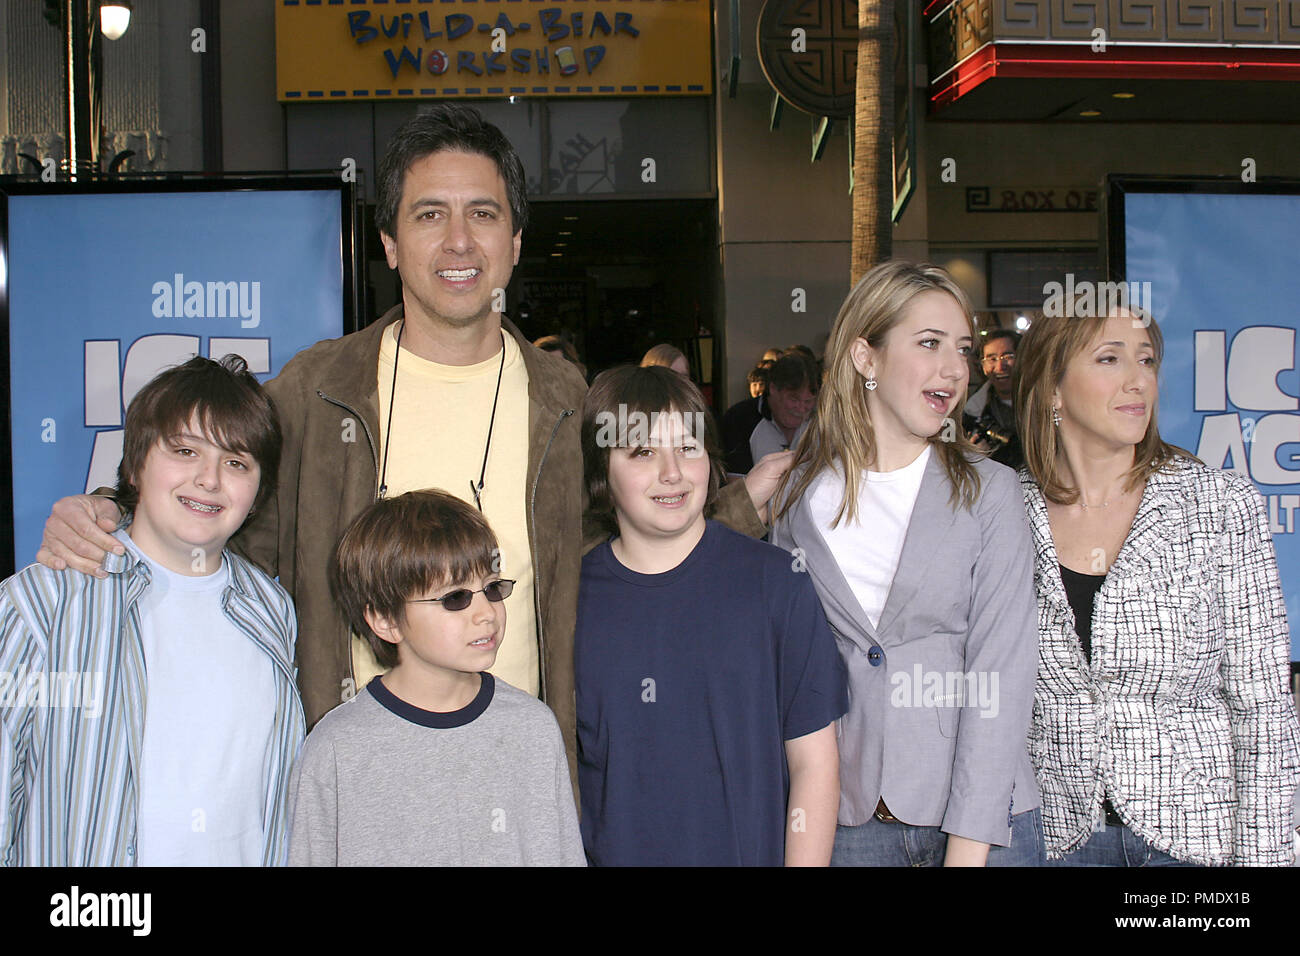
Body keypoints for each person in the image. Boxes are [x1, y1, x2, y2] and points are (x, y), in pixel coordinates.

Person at [35, 105, 776, 778]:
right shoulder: (317, 390)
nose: (459, 241)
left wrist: (745, 506)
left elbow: (636, 552)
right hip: (356, 776)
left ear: (515, 243)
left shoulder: (567, 401)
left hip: (521, 772)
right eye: (429, 216)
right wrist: (108, 515)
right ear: (389, 243)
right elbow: (218, 506)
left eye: (482, 214)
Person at [770, 260, 1043, 867]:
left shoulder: (991, 491)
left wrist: (968, 850)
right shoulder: (796, 500)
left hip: (980, 824)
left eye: (964, 349)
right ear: (865, 357)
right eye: (928, 344)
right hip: (848, 821)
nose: (954, 369)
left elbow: (1001, 673)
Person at [1015, 304, 1300, 866]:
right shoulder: (1003, 511)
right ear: (1052, 388)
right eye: (1109, 358)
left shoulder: (1219, 505)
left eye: (1146, 360)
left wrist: (1266, 862)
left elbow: (1263, 705)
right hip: (1051, 840)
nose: (1137, 379)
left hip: (1193, 840)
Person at [0, 356, 304, 866]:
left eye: (236, 462)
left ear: (257, 493)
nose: (209, 480)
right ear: (137, 463)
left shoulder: (270, 610)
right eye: (185, 451)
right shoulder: (43, 602)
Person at [576, 366, 848, 865]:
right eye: (641, 452)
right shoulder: (570, 600)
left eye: (687, 446)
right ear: (600, 471)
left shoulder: (775, 581)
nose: (672, 472)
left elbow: (814, 763)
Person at [288, 490, 584, 866]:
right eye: (455, 598)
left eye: (492, 588)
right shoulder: (335, 748)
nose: (486, 614)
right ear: (385, 619)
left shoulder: (533, 728)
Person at [964, 329, 1023, 470]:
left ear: (1023, 359)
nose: (1000, 367)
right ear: (983, 367)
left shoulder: (1047, 405)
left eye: (1008, 356)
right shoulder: (972, 414)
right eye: (991, 359)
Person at [749, 352, 818, 463]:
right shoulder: (741, 419)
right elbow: (737, 480)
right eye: (793, 399)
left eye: (808, 401)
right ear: (773, 388)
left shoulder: (823, 423)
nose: (801, 409)